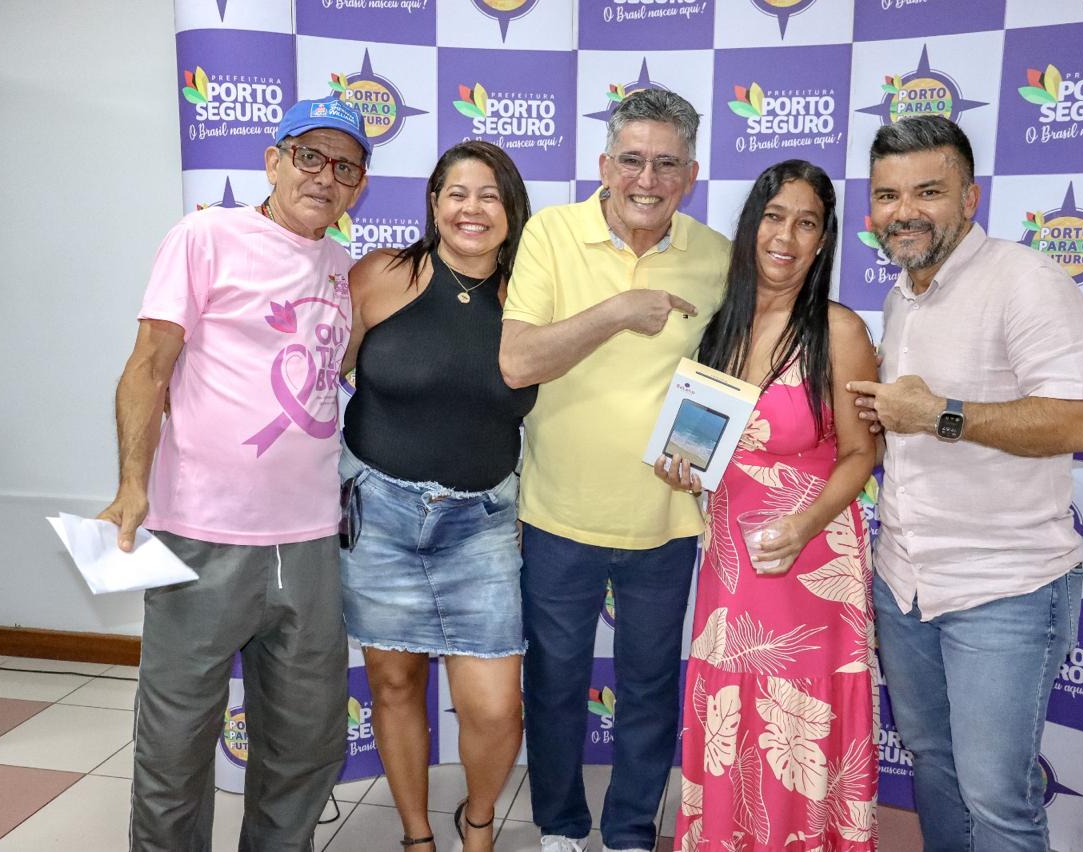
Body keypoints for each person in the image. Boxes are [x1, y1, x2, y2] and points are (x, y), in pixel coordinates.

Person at [96, 97, 370, 851]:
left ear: (358, 187)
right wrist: (131, 484)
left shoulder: (345, 271)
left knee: (306, 745)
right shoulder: (205, 236)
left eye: (345, 167)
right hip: (202, 537)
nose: (325, 177)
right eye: (309, 157)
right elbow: (147, 368)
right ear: (273, 161)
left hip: (310, 544)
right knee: (175, 745)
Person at [847, 116, 1083, 851]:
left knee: (996, 798)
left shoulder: (1025, 280)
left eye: (928, 192)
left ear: (970, 198)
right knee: (934, 764)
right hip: (906, 583)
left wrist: (942, 415)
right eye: (888, 195)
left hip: (1005, 588)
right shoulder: (903, 295)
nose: (904, 211)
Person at [500, 88, 731, 852]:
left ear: (690, 175)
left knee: (651, 688)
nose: (647, 179)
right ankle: (561, 827)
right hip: (558, 512)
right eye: (631, 159)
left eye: (666, 164)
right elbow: (517, 361)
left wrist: (696, 457)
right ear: (604, 166)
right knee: (555, 683)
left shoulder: (717, 256)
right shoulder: (551, 233)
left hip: (665, 520)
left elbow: (729, 375)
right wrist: (619, 310)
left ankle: (631, 831)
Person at [654, 160, 879, 851]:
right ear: (752, 225)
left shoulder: (838, 331)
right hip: (731, 562)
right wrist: (683, 471)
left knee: (798, 728)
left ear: (823, 240)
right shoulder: (722, 325)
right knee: (733, 721)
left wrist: (805, 524)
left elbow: (862, 453)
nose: (786, 236)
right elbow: (707, 443)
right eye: (774, 217)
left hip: (811, 566)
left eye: (806, 223)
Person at [338, 140, 534, 852]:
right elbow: (317, 373)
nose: (472, 209)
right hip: (379, 515)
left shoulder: (532, 297)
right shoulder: (381, 275)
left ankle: (477, 824)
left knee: (495, 707)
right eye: (457, 193)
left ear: (512, 211)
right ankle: (417, 837)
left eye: (490, 195)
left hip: (481, 525)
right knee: (394, 685)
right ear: (433, 202)